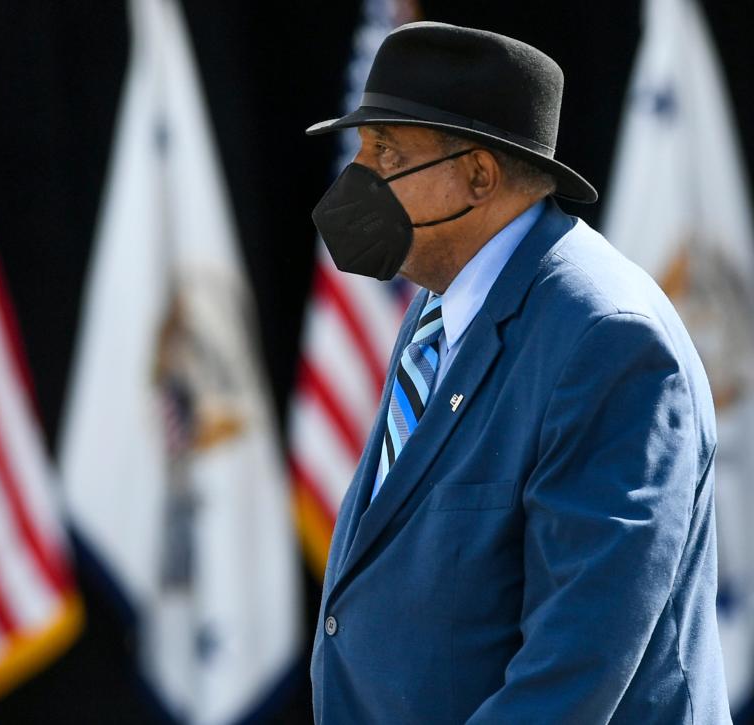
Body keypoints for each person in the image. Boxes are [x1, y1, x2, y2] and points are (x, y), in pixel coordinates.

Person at [306, 21, 731, 724]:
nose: (361, 177)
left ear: (478, 175)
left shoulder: (608, 341)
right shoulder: (439, 305)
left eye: (387, 152)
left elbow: (573, 667)